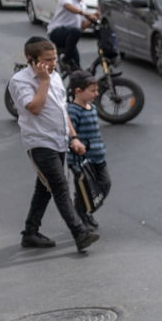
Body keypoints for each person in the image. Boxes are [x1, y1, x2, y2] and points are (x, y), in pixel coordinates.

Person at [7, 38, 99, 252]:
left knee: (45, 188)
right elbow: (35, 108)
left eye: (55, 58)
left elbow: (61, 109)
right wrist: (43, 81)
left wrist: (73, 137)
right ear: (31, 60)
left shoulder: (56, 76)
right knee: (59, 186)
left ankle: (30, 232)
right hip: (39, 142)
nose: (53, 64)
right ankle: (80, 232)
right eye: (47, 60)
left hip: (58, 140)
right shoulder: (20, 81)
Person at [66, 71, 110, 231]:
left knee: (105, 184)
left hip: (99, 156)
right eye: (92, 91)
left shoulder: (92, 108)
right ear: (78, 91)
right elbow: (69, 135)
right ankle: (82, 216)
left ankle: (87, 210)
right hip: (82, 161)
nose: (96, 94)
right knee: (84, 190)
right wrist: (74, 144)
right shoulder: (73, 111)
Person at [47, 0, 99, 72]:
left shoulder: (82, 4)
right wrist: (85, 13)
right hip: (57, 32)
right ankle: (66, 59)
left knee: (77, 69)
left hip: (70, 36)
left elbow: (82, 27)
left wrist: (95, 17)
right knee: (75, 31)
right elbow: (68, 7)